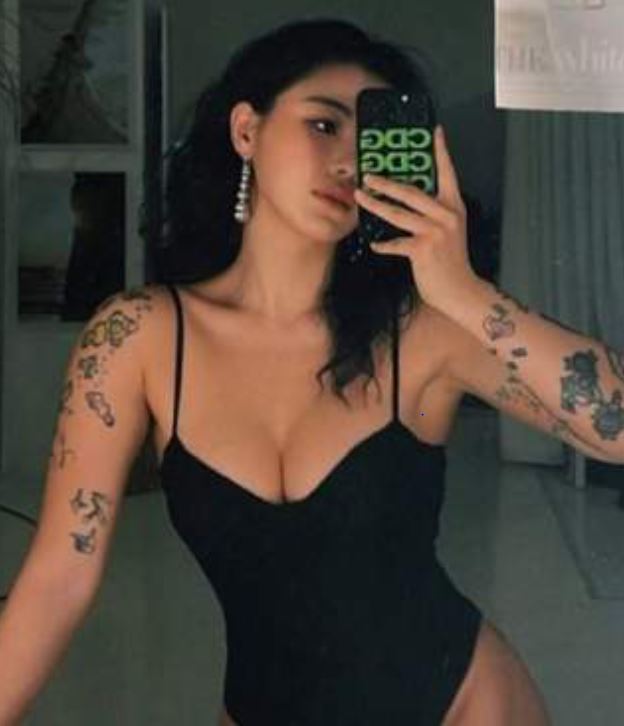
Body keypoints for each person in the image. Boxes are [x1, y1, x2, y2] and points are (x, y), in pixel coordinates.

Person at [1, 17, 623, 726]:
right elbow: (58, 580)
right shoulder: (138, 337)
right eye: (324, 125)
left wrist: (465, 293)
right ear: (247, 130)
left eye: (369, 138)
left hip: (464, 707)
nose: (348, 161)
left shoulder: (422, 332)